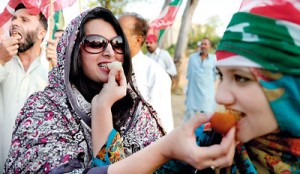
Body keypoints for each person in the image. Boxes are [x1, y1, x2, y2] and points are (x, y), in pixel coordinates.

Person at [77, 0, 300, 173]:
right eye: (221, 75)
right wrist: (102, 107)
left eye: (241, 78)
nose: (221, 96)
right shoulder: (207, 140)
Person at [4, 6, 165, 173]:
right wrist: (102, 107)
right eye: (95, 43)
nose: (110, 52)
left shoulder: (136, 111)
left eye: (117, 43)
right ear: (74, 50)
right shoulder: (43, 109)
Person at [0, 3, 49, 170]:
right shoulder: (2, 60)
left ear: (41, 33)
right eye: (14, 18)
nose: (14, 23)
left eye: (24, 20)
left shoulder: (50, 73)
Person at [118, 12, 174, 133]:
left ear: (137, 40)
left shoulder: (156, 74)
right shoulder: (106, 68)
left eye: (120, 34)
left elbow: (162, 123)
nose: (113, 38)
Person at [184, 37, 217, 121]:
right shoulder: (192, 58)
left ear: (210, 46)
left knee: (206, 122)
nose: (203, 46)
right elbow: (189, 74)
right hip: (193, 95)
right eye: (202, 44)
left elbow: (215, 76)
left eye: (205, 44)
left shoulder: (214, 59)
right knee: (190, 121)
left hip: (207, 97)